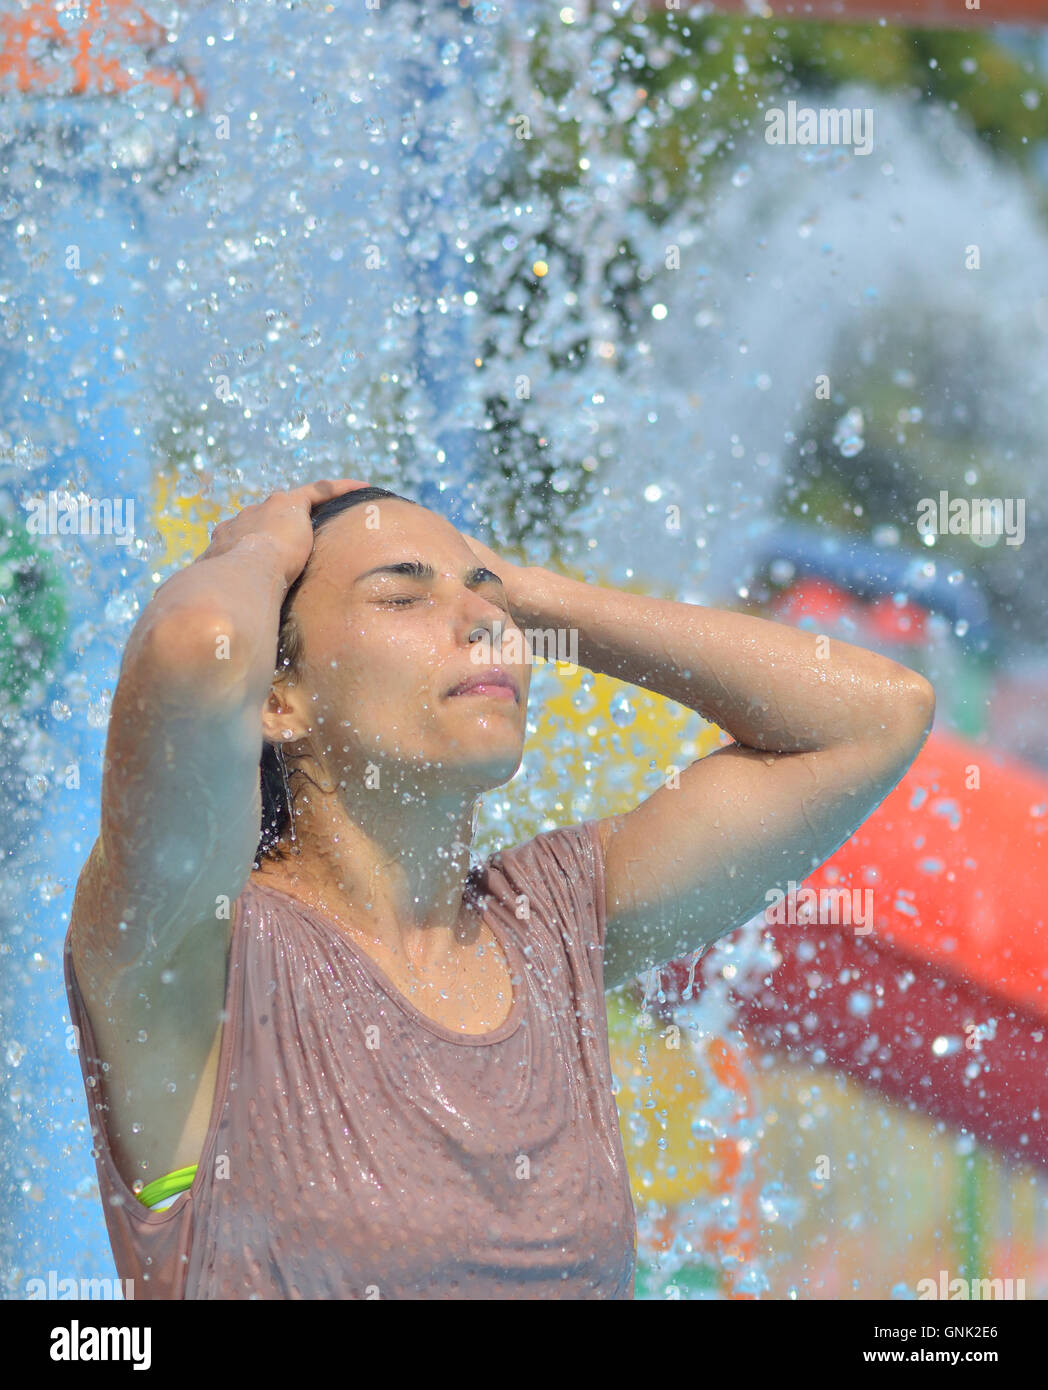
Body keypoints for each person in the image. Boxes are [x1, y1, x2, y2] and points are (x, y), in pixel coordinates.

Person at [64, 478, 935, 1299]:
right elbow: (193, 647)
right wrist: (257, 549)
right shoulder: (197, 953)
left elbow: (874, 715)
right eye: (402, 597)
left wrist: (533, 594)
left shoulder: (552, 923)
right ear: (279, 698)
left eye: (490, 603)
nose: (482, 624)